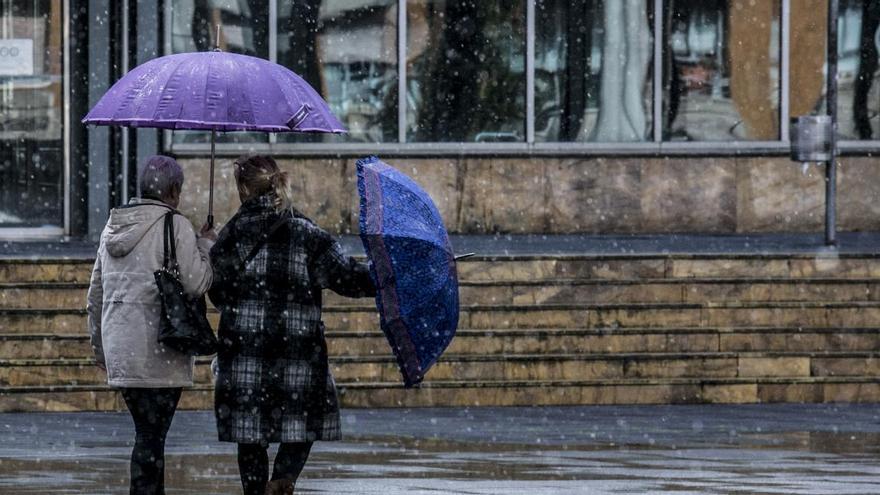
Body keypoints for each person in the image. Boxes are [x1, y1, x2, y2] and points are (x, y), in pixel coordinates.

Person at [209, 155, 375, 495]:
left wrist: (208, 248)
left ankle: (257, 490)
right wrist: (388, 276)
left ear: (243, 188)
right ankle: (283, 480)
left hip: (246, 357)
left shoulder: (232, 235)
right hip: (298, 355)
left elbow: (217, 294)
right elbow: (348, 278)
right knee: (301, 427)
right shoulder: (305, 232)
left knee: (250, 437)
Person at [86, 155, 216, 494]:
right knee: (151, 436)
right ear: (173, 190)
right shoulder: (175, 225)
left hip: (121, 345)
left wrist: (101, 347)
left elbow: (95, 295)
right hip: (160, 346)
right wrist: (206, 246)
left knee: (148, 433)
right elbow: (197, 283)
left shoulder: (112, 226)